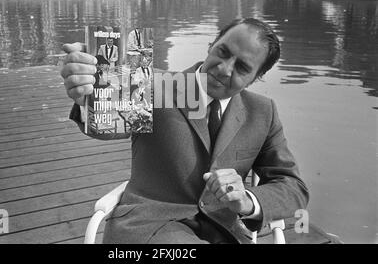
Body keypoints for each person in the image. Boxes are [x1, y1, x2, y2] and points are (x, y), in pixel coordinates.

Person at [60, 18, 309, 244]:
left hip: (226, 234)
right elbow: (107, 126)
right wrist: (88, 95)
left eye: (242, 67)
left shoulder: (263, 112)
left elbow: (293, 187)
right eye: (223, 52)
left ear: (257, 77)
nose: (224, 69)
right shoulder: (153, 84)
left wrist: (246, 201)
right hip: (148, 231)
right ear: (212, 44)